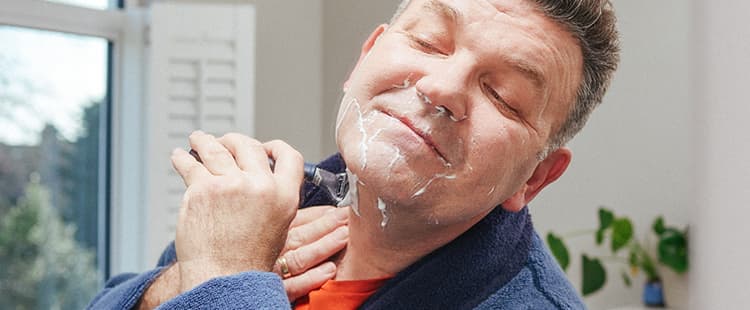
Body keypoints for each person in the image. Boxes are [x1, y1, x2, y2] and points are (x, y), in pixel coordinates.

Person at [88, 0, 620, 308]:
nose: (441, 88)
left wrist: (222, 282)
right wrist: (168, 288)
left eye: (504, 95)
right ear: (365, 59)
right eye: (430, 42)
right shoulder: (273, 203)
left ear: (535, 179)